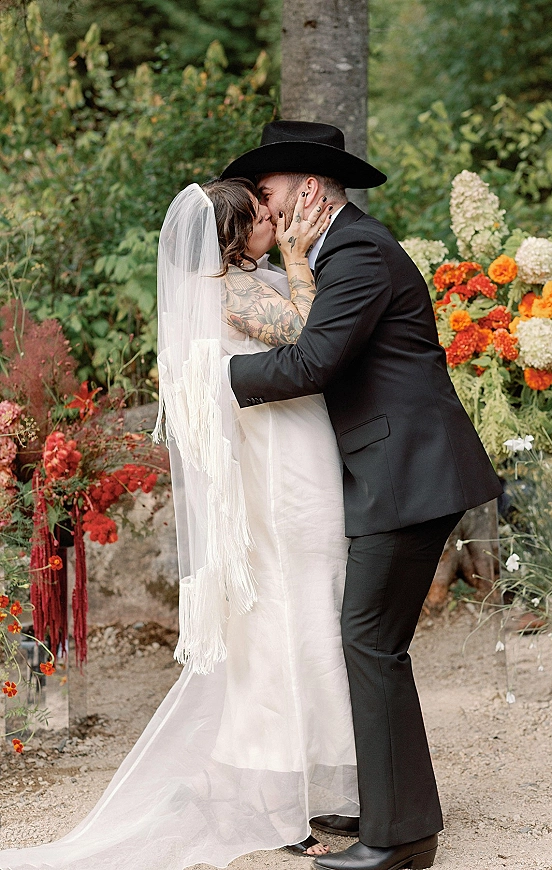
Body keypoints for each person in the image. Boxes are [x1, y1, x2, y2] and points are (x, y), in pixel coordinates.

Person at [0, 179, 359, 870]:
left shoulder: (237, 281)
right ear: (234, 236)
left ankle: (304, 779)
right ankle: (272, 798)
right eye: (262, 216)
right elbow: (312, 338)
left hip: (293, 454)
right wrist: (298, 260)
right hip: (280, 470)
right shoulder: (231, 289)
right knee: (286, 619)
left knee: (306, 612)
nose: (275, 219)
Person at [220, 120, 504, 870]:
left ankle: (400, 838)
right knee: (373, 644)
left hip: (409, 474)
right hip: (399, 471)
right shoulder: (336, 253)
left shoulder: (358, 253)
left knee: (370, 643)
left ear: (309, 187)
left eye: (269, 192)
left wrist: (211, 378)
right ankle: (389, 809)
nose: (263, 207)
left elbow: (311, 362)